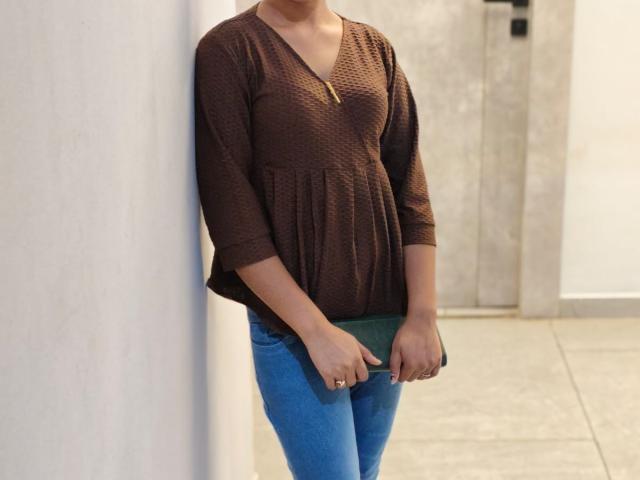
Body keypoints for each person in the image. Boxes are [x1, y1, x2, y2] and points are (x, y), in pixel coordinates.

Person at [194, 1, 442, 478]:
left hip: (383, 319)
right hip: (291, 329)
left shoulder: (373, 48)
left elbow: (411, 193)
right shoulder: (230, 51)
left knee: (364, 472)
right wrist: (315, 332)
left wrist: (422, 316)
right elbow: (234, 221)